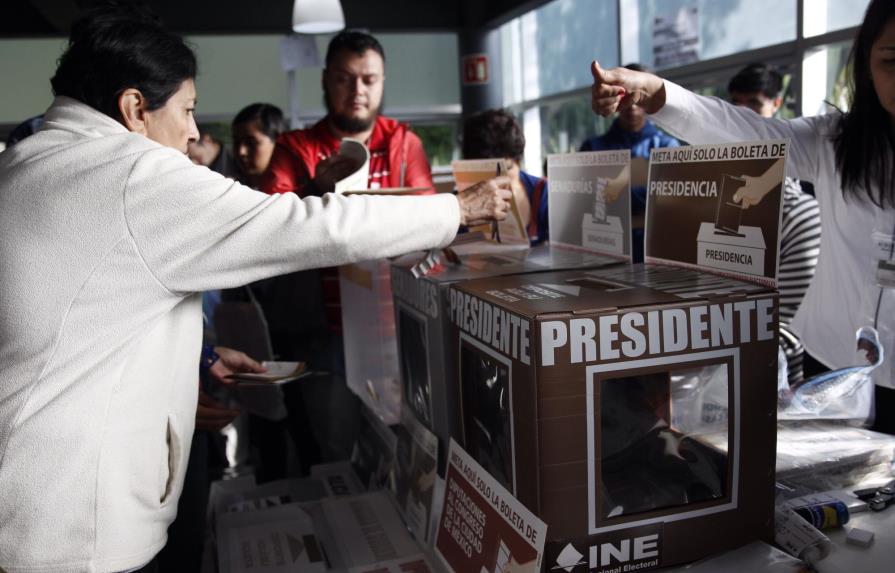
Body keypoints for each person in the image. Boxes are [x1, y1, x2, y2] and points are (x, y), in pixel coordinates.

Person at [0, 5, 511, 572]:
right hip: (71, 531)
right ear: (134, 108)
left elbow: (93, 313)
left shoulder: (29, 162)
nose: (195, 132)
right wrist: (457, 209)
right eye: (189, 110)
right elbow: (303, 225)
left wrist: (196, 359)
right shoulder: (132, 176)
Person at [589, 0, 895, 433]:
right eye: (891, 61)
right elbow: (748, 134)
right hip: (830, 363)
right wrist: (657, 93)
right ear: (866, 63)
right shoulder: (835, 143)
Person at [261, 30, 436, 461]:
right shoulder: (295, 147)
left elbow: (429, 222)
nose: (358, 90)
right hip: (324, 332)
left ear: (382, 81)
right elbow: (268, 224)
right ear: (325, 80)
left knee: (403, 450)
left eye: (369, 79)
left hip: (395, 324)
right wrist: (313, 191)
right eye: (344, 78)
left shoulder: (402, 144)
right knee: (333, 453)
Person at [727, 63, 823, 384]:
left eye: (753, 105)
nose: (742, 119)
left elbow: (789, 327)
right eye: (734, 106)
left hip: (770, 381)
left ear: (776, 105)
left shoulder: (799, 215)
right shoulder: (710, 199)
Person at [579, 63, 680, 262]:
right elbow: (580, 203)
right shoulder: (592, 147)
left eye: (639, 98)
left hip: (657, 250)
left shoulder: (667, 146)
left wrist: (617, 191)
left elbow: (676, 201)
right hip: (605, 249)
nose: (632, 108)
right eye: (626, 97)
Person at [462, 108, 549, 245]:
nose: (496, 180)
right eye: (488, 172)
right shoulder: (461, 204)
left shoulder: (544, 193)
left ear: (518, 161)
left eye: (507, 168)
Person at [232, 102, 288, 189]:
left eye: (251, 143)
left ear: (278, 142)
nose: (241, 151)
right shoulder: (231, 189)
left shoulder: (296, 195)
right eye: (236, 142)